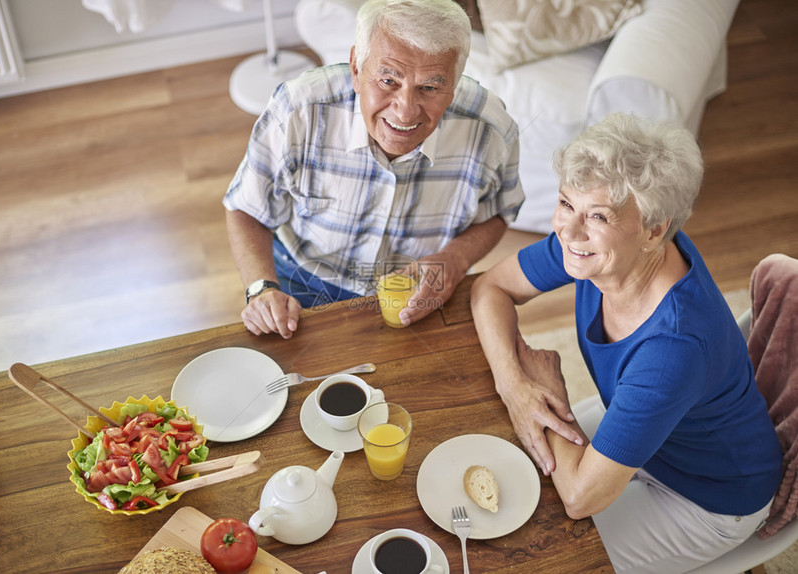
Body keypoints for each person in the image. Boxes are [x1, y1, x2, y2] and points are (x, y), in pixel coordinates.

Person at [470, 113, 782, 573]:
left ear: (655, 230)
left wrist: (552, 395)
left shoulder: (672, 351)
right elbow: (490, 288)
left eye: (598, 216)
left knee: (537, 557)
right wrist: (514, 385)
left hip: (709, 497)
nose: (569, 231)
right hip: (656, 440)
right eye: (565, 203)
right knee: (507, 470)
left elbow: (580, 498)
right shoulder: (602, 247)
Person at [224, 0, 524, 339]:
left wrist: (453, 262)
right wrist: (261, 288)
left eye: (429, 87)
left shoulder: (492, 130)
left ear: (454, 83)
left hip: (421, 289)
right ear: (356, 67)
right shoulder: (298, 109)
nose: (405, 111)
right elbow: (246, 209)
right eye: (388, 80)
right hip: (300, 280)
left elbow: (499, 212)